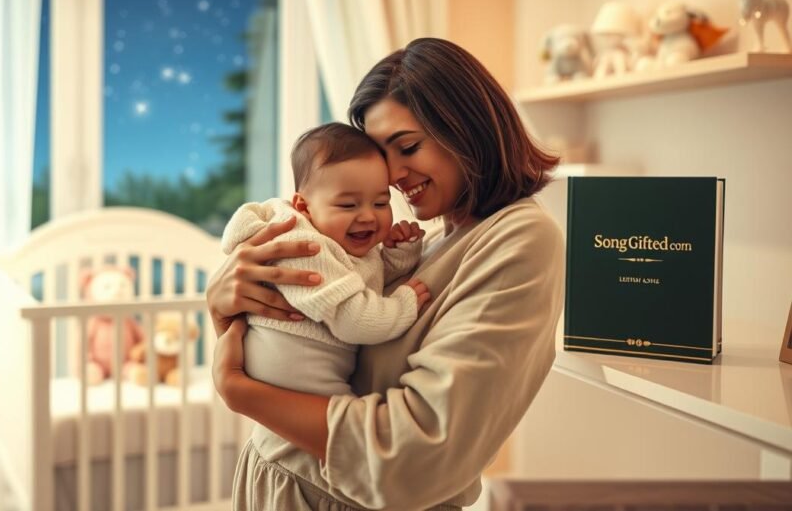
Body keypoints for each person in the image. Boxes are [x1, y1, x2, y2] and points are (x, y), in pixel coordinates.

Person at [208, 37, 564, 510]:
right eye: (381, 156)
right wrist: (227, 306)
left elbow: (415, 452)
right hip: (284, 479)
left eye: (408, 146)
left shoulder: (520, 241)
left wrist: (241, 392)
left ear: (466, 127)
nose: (392, 176)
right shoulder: (428, 239)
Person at [220, 123, 431, 397]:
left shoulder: (339, 243)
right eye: (348, 205)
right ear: (304, 207)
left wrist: (399, 255)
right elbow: (354, 319)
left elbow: (364, 284)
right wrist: (404, 304)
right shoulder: (303, 246)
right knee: (352, 428)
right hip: (296, 371)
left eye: (380, 203)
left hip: (308, 369)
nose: (368, 216)